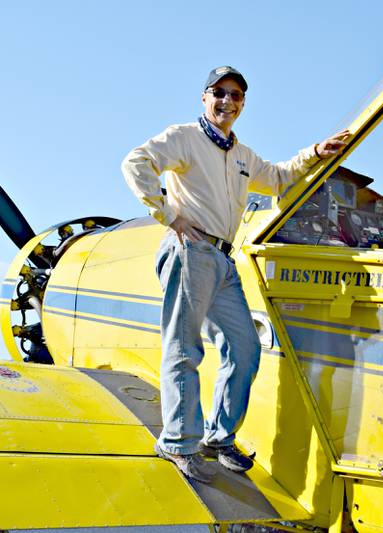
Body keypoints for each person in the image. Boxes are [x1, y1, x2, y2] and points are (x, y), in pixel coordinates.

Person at [121, 66, 349, 482]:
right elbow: (136, 163)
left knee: (245, 350)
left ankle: (218, 438)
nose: (227, 101)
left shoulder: (243, 156)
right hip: (191, 251)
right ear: (204, 98)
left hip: (225, 260)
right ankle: (178, 442)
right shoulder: (184, 137)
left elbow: (278, 178)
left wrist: (316, 151)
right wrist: (169, 214)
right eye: (219, 93)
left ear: (243, 104)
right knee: (184, 350)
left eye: (236, 95)